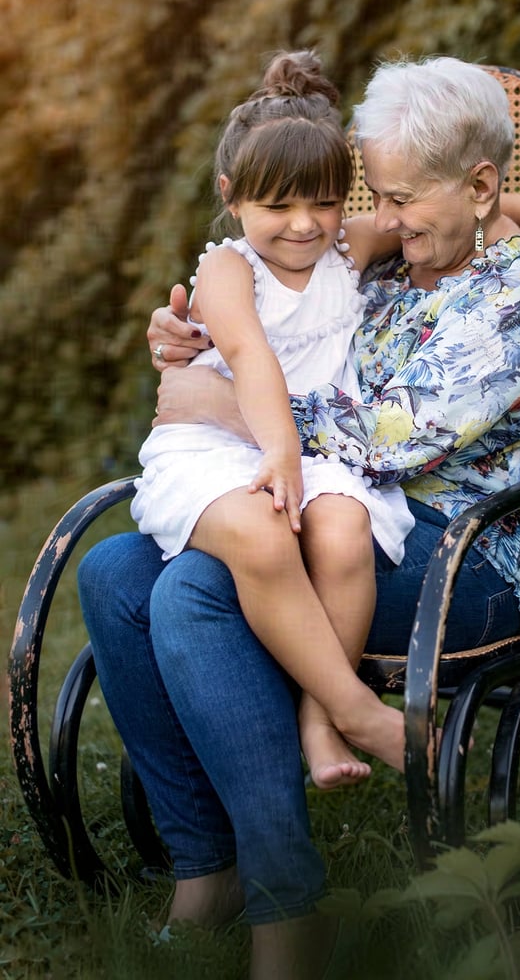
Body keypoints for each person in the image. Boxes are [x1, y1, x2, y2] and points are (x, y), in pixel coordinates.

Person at [78, 54, 520, 980]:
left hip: (467, 555)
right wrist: (192, 339)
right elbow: (289, 326)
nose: (379, 219)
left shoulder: (515, 303)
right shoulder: (416, 255)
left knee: (197, 590)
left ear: (480, 187)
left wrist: (207, 397)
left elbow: (382, 439)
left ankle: (287, 902)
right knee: (113, 575)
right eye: (379, 196)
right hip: (343, 510)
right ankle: (210, 863)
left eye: (399, 198)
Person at [131, 50, 416, 790]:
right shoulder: (230, 269)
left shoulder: (347, 247)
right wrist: (281, 452)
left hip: (312, 447)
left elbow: (439, 209)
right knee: (264, 534)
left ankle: (319, 721)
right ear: (232, 196)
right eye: (277, 206)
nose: (302, 225)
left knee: (346, 532)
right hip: (219, 441)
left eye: (322, 202)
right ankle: (356, 707)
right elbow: (251, 358)